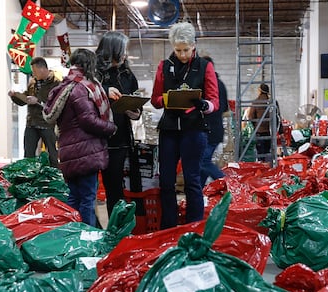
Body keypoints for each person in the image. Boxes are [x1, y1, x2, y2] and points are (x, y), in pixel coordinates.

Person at [150, 22, 219, 229]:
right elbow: (155, 99)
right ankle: (169, 226)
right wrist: (168, 100)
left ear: (194, 46)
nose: (182, 54)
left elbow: (214, 101)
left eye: (186, 50)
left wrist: (203, 104)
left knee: (192, 180)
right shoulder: (164, 66)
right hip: (169, 129)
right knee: (166, 182)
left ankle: (194, 226)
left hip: (194, 129)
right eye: (178, 50)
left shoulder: (205, 67)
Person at [43, 49, 116, 226]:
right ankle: (87, 240)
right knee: (87, 199)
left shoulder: (64, 87)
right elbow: (88, 120)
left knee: (75, 198)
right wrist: (111, 127)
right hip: (85, 152)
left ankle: (73, 238)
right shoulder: (82, 88)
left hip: (69, 152)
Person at [95, 31, 142, 217]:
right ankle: (91, 228)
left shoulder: (127, 74)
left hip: (119, 139)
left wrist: (134, 111)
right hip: (93, 138)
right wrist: (105, 90)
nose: (124, 54)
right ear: (111, 50)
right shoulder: (93, 72)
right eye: (122, 50)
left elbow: (137, 103)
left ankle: (117, 229)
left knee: (115, 187)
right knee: (89, 189)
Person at [8, 57, 61, 167]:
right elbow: (25, 99)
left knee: (52, 153)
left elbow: (57, 105)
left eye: (35, 71)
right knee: (28, 153)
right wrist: (15, 96)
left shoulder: (56, 84)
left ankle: (55, 176)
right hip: (31, 122)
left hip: (47, 124)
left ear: (42, 69)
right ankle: (28, 177)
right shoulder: (33, 82)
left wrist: (38, 102)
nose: (33, 74)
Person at [200, 55, 229, 186]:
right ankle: (197, 191)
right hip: (215, 129)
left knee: (203, 161)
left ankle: (227, 184)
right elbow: (225, 109)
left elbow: (216, 108)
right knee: (202, 163)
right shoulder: (220, 84)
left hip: (209, 130)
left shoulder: (210, 85)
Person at [247, 83, 277, 162]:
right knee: (268, 153)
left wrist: (255, 126)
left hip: (259, 132)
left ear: (259, 90)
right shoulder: (272, 102)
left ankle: (262, 169)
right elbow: (277, 117)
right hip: (270, 132)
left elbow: (250, 117)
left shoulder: (256, 102)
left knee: (260, 154)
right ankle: (269, 168)